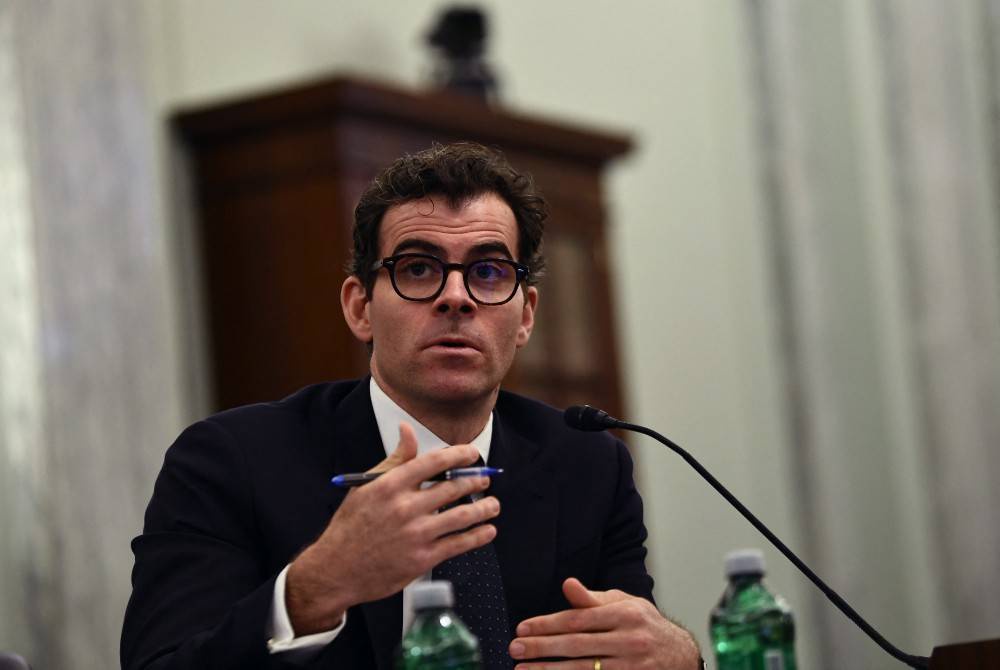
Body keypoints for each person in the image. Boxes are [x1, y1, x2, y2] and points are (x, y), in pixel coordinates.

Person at [121, 142, 703, 669]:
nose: (456, 297)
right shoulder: (231, 462)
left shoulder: (587, 464)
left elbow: (629, 646)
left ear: (525, 315)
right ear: (360, 308)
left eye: (488, 271)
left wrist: (680, 658)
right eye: (419, 269)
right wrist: (316, 586)